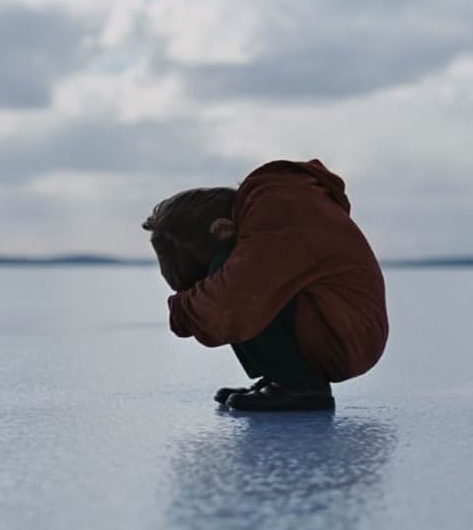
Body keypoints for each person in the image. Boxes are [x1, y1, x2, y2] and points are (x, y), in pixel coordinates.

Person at [144, 159, 388, 411]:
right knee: (240, 279)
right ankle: (282, 378)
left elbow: (230, 303)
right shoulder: (276, 206)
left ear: (222, 230)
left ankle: (300, 385)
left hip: (345, 332)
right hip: (340, 324)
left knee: (234, 281)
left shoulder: (277, 209)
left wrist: (182, 310)